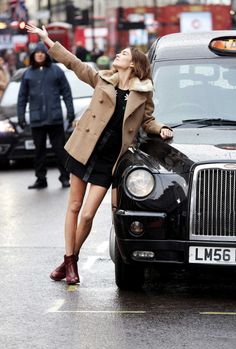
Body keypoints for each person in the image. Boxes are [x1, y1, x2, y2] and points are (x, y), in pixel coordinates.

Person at [26, 23, 173, 284]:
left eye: (124, 54)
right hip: (85, 149)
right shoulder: (102, 78)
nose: (118, 55)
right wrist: (46, 39)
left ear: (134, 64)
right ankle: (70, 263)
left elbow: (148, 120)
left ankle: (69, 259)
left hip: (110, 159)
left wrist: (160, 128)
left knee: (88, 214)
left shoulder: (142, 93)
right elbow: (74, 63)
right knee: (73, 206)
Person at [17, 42, 75, 189]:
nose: (40, 54)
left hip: (55, 118)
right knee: (39, 151)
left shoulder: (56, 71)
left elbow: (66, 92)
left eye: (42, 52)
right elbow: (22, 97)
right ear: (33, 55)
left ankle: (64, 177)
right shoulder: (28, 74)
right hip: (37, 119)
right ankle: (41, 179)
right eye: (37, 52)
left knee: (60, 150)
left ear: (46, 55)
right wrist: (21, 116)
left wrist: (70, 111)